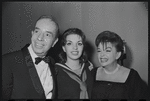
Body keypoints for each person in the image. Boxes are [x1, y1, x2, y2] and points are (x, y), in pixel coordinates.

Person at [2, 15, 59, 99]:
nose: (40, 38)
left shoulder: (52, 64)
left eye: (47, 34)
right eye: (37, 31)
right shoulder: (7, 62)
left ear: (54, 42)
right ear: (32, 34)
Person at [91, 30, 149, 99]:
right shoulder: (92, 73)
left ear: (118, 54)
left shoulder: (132, 77)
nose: (101, 55)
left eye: (107, 50)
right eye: (99, 51)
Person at [55, 28, 94, 99]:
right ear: (64, 48)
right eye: (69, 43)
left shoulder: (89, 69)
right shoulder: (56, 72)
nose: (75, 47)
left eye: (79, 44)